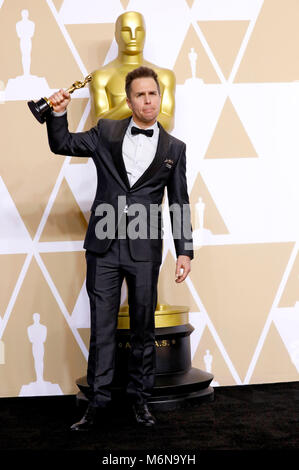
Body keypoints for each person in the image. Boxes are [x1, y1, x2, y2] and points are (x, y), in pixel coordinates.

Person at [46, 66, 193, 430]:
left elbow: (178, 202)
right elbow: (62, 144)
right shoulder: (107, 132)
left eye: (153, 94)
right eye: (140, 95)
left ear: (160, 97)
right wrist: (59, 113)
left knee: (143, 328)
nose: (148, 100)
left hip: (145, 249)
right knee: (103, 328)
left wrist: (185, 251)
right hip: (104, 246)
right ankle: (97, 404)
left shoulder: (174, 148)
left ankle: (140, 402)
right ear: (128, 101)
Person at [90, 11, 175, 131]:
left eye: (139, 30)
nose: (133, 36)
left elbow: (168, 123)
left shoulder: (164, 76)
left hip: (154, 148)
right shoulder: (101, 77)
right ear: (116, 35)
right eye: (126, 30)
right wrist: (129, 107)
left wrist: (126, 112)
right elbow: (98, 126)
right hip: (113, 149)